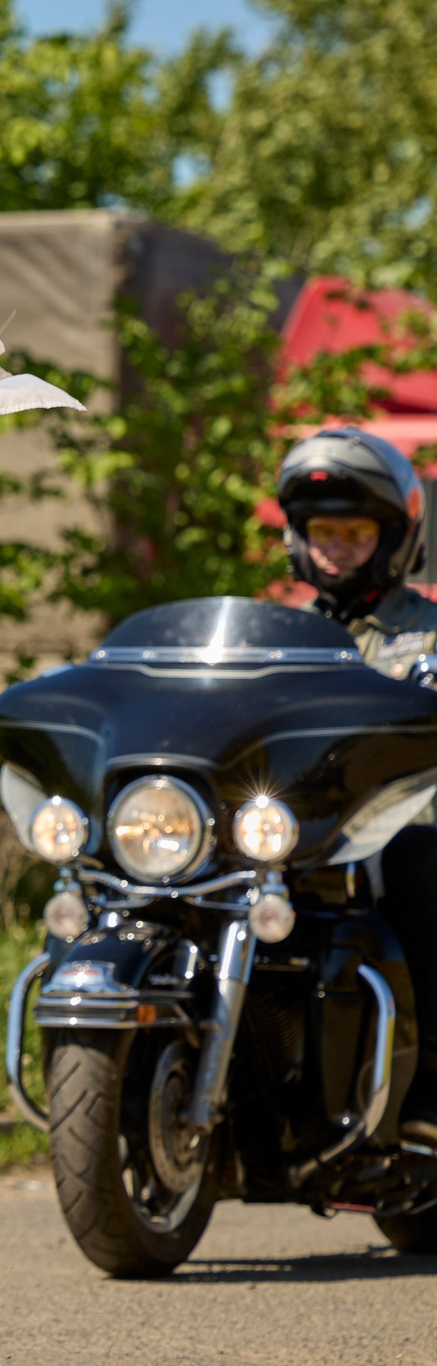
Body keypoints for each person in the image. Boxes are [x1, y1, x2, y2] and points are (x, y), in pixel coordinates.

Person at [277, 427, 437, 1144]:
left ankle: (430, 1085)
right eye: (322, 531)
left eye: (356, 531)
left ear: (392, 537)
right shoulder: (279, 637)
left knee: (417, 859)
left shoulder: (427, 631)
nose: (336, 547)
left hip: (402, 827)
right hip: (299, 832)